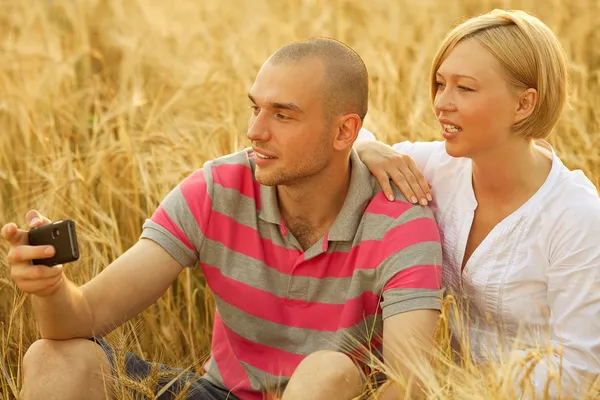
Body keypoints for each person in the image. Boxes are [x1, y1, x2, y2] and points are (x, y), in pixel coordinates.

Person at [3, 38, 444, 400]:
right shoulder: (218, 188)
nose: (256, 131)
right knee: (51, 357)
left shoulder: (400, 222)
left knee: (328, 372)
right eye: (256, 108)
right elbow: (82, 319)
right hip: (218, 394)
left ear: (345, 132)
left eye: (283, 115)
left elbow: (411, 385)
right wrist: (52, 288)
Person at [353, 8, 600, 398]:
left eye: (464, 88)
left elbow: (577, 365)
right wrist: (368, 147)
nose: (441, 103)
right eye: (440, 84)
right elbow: (341, 139)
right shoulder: (432, 168)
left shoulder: (577, 217)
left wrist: (461, 392)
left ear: (524, 104)